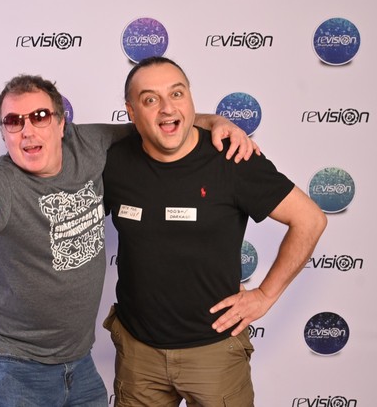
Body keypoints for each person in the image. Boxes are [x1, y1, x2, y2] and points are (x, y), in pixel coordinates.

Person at [0, 74, 258, 407]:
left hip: (78, 360)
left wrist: (214, 121)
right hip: (16, 362)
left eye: (40, 116)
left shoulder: (89, 144)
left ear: (61, 124)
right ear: (4, 133)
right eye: (13, 121)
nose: (28, 131)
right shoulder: (0, 183)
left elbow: (154, 123)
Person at [102, 56, 327, 406]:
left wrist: (265, 295)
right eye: (150, 99)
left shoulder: (231, 158)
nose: (167, 107)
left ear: (190, 97)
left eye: (177, 93)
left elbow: (310, 219)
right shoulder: (114, 161)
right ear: (131, 112)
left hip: (214, 355)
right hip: (138, 356)